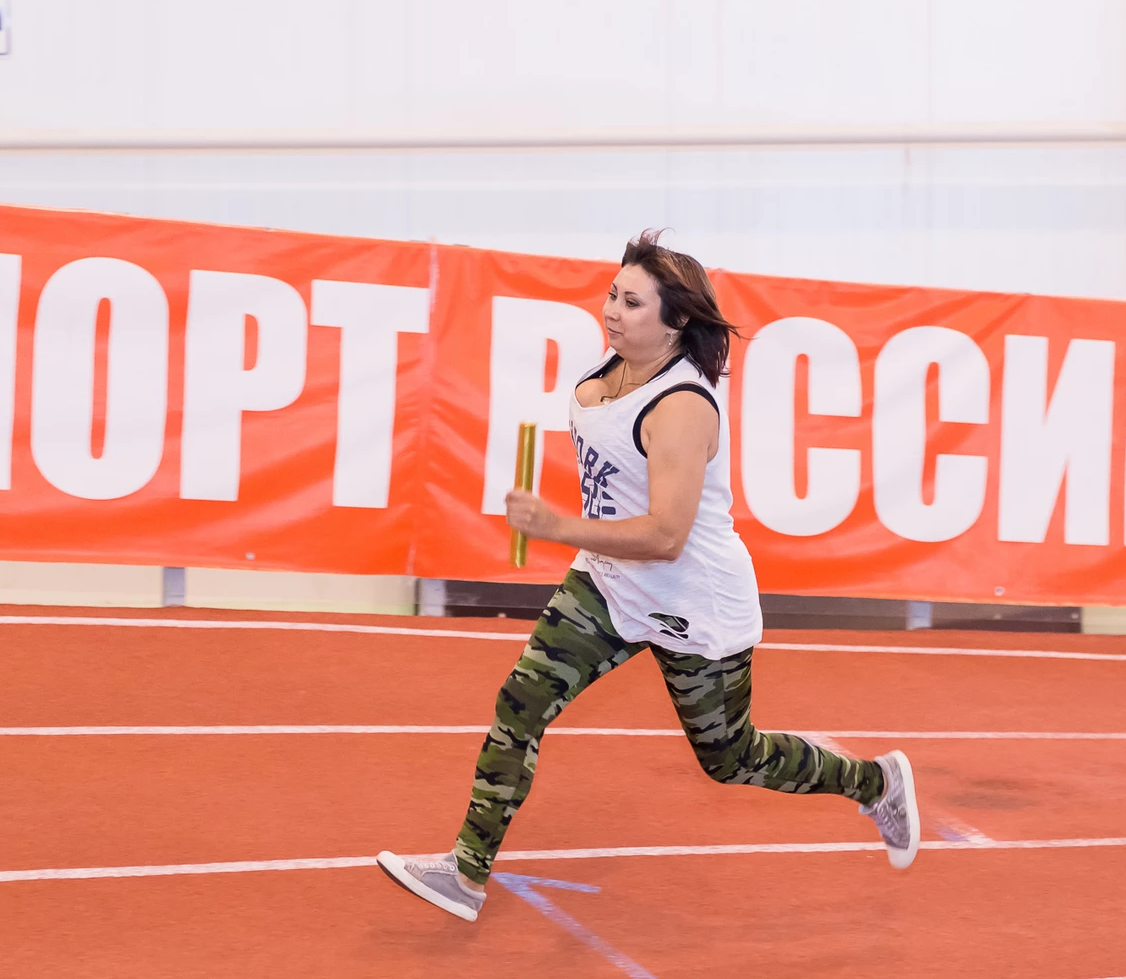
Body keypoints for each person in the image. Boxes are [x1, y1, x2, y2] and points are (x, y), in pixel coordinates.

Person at [378, 231, 918, 922]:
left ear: (676, 321)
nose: (611, 310)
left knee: (731, 758)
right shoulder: (607, 373)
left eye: (632, 303)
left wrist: (556, 527)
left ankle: (874, 782)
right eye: (612, 294)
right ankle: (465, 873)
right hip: (607, 585)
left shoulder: (682, 407)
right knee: (521, 703)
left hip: (692, 601)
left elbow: (666, 537)